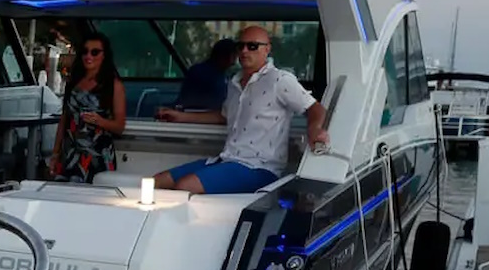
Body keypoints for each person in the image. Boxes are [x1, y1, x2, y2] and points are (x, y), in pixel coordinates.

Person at [153, 25, 329, 194]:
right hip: (226, 159)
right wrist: (180, 116)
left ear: (267, 49)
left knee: (185, 185)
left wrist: (314, 129)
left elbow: (314, 108)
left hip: (260, 168)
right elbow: (223, 116)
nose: (244, 51)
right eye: (240, 46)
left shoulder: (280, 80)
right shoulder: (234, 83)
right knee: (157, 182)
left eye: (252, 46)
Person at [49, 33, 127, 183]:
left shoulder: (113, 86)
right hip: (70, 154)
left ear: (104, 55)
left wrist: (99, 121)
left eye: (95, 52)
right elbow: (64, 120)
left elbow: (119, 126)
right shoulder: (73, 83)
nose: (88, 56)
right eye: (85, 52)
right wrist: (55, 153)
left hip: (97, 156)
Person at [173, 38, 237, 113]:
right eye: (234, 55)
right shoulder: (203, 74)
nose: (234, 61)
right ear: (223, 56)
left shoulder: (222, 74)